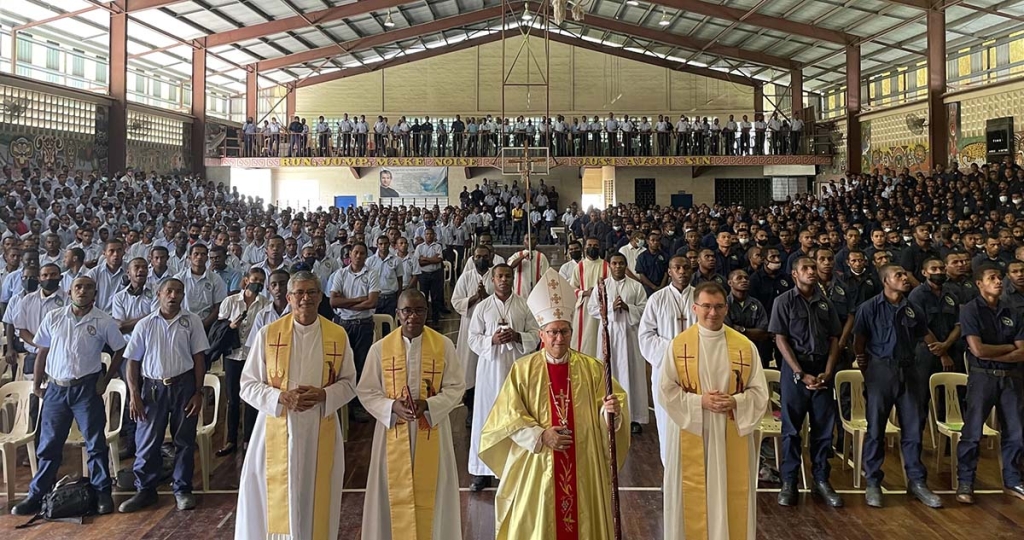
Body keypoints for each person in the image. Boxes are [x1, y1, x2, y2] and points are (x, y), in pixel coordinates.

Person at [479, 268, 628, 540]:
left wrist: (610, 414)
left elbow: (608, 409)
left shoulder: (592, 369)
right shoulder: (523, 370)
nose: (559, 338)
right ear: (541, 334)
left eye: (565, 332)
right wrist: (541, 435)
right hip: (539, 463)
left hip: (583, 460)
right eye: (553, 332)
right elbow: (508, 416)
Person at [236, 271, 357, 540]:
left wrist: (324, 395)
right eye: (299, 293)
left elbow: (350, 384)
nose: (306, 298)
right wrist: (280, 397)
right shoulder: (269, 334)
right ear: (289, 298)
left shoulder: (337, 334)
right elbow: (247, 384)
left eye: (311, 292)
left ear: (321, 296)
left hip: (319, 427)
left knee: (316, 496)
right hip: (276, 427)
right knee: (273, 501)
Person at [658, 281, 768, 540]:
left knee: (730, 492)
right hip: (692, 429)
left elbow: (759, 392)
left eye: (718, 307)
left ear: (726, 308)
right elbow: (666, 390)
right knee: (690, 495)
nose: (712, 313)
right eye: (706, 306)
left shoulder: (744, 346)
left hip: (730, 429)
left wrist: (736, 402)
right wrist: (699, 403)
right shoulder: (678, 345)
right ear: (694, 307)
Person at [11, 276, 125, 517]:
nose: (82, 291)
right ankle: (37, 494)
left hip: (86, 389)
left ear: (95, 293)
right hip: (56, 389)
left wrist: (106, 380)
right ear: (70, 291)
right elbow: (43, 350)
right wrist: (36, 384)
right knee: (49, 445)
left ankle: (101, 491)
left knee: (95, 443)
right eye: (78, 287)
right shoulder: (54, 317)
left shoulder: (103, 320)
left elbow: (120, 349)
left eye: (88, 288)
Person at [356, 289, 465, 540]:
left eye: (419, 310)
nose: (413, 317)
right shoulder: (380, 349)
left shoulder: (443, 344)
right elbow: (367, 390)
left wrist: (429, 404)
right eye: (407, 310)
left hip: (432, 429)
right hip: (393, 430)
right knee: (391, 492)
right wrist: (392, 406)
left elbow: (456, 386)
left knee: (434, 490)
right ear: (397, 313)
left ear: (427, 313)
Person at [853, 264, 944, 509]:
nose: (905, 279)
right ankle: (872, 481)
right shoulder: (869, 308)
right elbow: (859, 342)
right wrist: (868, 368)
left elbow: (922, 334)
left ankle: (916, 481)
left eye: (905, 275)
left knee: (913, 428)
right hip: (880, 370)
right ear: (886, 281)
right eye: (899, 276)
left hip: (909, 370)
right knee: (876, 429)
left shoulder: (912, 308)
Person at [119, 278, 210, 513]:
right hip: (152, 388)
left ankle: (182, 489)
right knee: (147, 442)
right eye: (169, 291)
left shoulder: (192, 321)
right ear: (159, 294)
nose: (174, 296)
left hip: (184, 386)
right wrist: (134, 394)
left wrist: (198, 392)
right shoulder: (146, 324)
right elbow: (132, 362)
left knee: (184, 441)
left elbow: (199, 359)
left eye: (179, 292)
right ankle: (145, 490)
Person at [769, 257, 843, 507]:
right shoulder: (784, 301)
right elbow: (781, 340)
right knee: (791, 430)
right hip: (795, 371)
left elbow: (834, 339)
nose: (811, 272)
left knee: (823, 430)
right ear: (794, 275)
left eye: (813, 268)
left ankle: (821, 480)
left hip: (822, 370)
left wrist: (829, 371)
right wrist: (800, 373)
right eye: (806, 269)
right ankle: (789, 481)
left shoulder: (826, 303)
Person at [466, 263, 539, 491]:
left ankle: (511, 469)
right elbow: (472, 337)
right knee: (485, 418)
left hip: (514, 369)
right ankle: (481, 471)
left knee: (513, 418)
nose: (504, 280)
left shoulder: (523, 305)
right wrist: (492, 341)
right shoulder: (483, 307)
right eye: (499, 276)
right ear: (493, 279)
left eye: (507, 276)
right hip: (489, 369)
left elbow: (536, 334)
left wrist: (517, 336)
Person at [955, 263, 1024, 504]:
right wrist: (1008, 348)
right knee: (973, 433)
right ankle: (966, 481)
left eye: (999, 277)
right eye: (992, 278)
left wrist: (996, 352)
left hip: (1011, 379)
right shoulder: (970, 310)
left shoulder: (1012, 311)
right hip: (982, 377)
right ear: (979, 283)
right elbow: (978, 350)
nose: (998, 281)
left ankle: (1013, 479)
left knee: (1016, 433)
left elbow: (1023, 352)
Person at [639, 255, 695, 464]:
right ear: (669, 272)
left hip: (696, 371)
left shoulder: (700, 298)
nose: (682, 271)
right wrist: (674, 350)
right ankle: (669, 470)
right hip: (666, 370)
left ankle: (694, 472)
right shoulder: (657, 299)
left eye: (686, 268)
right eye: (677, 267)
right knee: (666, 420)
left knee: (694, 421)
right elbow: (646, 336)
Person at [587, 252, 649, 434]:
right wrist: (609, 309)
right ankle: (608, 414)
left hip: (629, 336)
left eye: (621, 263)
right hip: (609, 335)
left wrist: (627, 307)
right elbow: (592, 309)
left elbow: (644, 308)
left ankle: (634, 417)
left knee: (632, 373)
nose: (618, 266)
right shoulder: (602, 286)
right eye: (614, 263)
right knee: (609, 371)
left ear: (625, 264)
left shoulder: (636, 286)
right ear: (610, 266)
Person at [216, 268, 269, 457]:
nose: (258, 283)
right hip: (233, 355)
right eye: (255, 279)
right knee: (233, 399)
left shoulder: (265, 304)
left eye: (262, 280)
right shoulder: (230, 302)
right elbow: (218, 328)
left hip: (253, 356)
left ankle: (249, 438)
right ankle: (231, 439)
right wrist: (231, 327)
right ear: (246, 280)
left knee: (252, 399)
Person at [329, 242, 379, 422]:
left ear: (366, 256)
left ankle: (357, 405)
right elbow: (334, 302)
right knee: (341, 364)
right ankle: (342, 403)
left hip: (363, 324)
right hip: (343, 324)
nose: (359, 256)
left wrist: (347, 302)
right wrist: (359, 300)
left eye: (362, 253)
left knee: (360, 364)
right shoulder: (340, 274)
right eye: (356, 252)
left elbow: (372, 302)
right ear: (350, 254)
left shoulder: (371, 274)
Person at [452, 246, 495, 429]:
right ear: (473, 257)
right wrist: (474, 298)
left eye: (485, 257)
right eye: (478, 256)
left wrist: (486, 298)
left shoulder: (495, 276)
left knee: (489, 368)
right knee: (470, 369)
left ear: (491, 257)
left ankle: (491, 409)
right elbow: (456, 301)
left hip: (490, 331)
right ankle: (470, 409)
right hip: (470, 329)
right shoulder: (467, 276)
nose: (481, 259)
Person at [568, 237, 609, 357]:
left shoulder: (606, 266)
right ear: (585, 248)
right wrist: (585, 293)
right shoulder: (580, 267)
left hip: (602, 307)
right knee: (584, 339)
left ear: (599, 247)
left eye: (595, 245)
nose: (592, 248)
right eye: (589, 245)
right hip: (584, 308)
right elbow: (571, 288)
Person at [507, 233, 550, 298]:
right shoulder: (517, 255)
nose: (530, 241)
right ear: (523, 242)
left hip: (536, 293)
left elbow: (545, 275)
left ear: (536, 241)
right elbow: (510, 266)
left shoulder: (541, 256)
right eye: (527, 239)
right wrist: (522, 257)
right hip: (519, 292)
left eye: (532, 239)